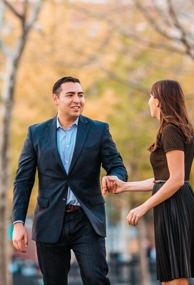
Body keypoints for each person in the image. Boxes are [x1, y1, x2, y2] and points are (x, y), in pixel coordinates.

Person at [103, 80, 194, 284]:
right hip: (173, 204)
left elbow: (176, 180)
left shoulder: (171, 130)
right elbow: (164, 179)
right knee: (169, 278)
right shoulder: (177, 129)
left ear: (158, 101)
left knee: (176, 278)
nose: (149, 101)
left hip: (175, 207)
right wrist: (125, 186)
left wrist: (143, 208)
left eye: (150, 96)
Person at [12, 76, 128, 285]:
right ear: (56, 99)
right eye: (70, 95)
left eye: (81, 95)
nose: (77, 100)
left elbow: (117, 165)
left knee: (96, 278)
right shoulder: (36, 133)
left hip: (87, 219)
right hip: (50, 220)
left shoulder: (98, 130)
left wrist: (114, 177)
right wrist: (18, 222)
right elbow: (23, 180)